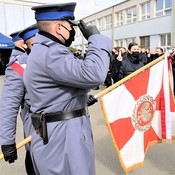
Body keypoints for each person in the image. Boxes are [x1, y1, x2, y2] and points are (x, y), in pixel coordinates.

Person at [23, 2, 112, 175]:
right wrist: (96, 38)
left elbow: (57, 90)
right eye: (71, 26)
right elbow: (94, 74)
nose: (73, 31)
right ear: (59, 28)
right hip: (64, 135)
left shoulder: (44, 49)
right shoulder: (52, 53)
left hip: (58, 129)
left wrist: (81, 99)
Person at [0, 24, 38, 175]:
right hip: (36, 130)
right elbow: (9, 105)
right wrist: (8, 141)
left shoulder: (52, 60)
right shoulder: (19, 66)